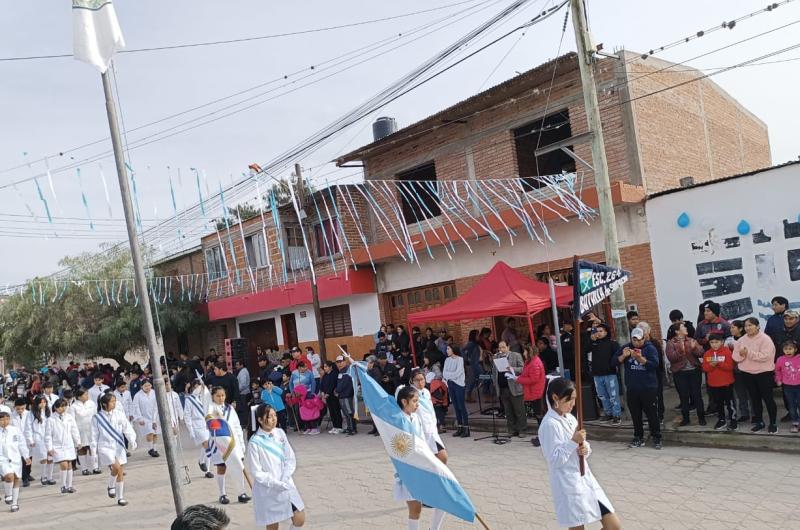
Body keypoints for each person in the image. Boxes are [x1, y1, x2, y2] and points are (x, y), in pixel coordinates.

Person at [538, 378, 621, 530]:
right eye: (569, 400)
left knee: (614, 526)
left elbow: (583, 444)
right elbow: (554, 460)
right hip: (568, 484)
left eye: (575, 399)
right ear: (555, 398)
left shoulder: (570, 418)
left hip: (586, 479)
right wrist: (573, 443)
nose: (573, 404)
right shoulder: (549, 424)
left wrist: (584, 449)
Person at [393, 386, 448, 530]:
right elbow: (401, 449)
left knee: (444, 498)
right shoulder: (398, 422)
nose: (418, 404)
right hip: (410, 470)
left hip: (425, 465)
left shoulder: (416, 417)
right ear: (404, 402)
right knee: (416, 509)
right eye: (415, 401)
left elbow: (423, 440)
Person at [246, 404, 306, 530]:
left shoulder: (279, 433)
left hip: (286, 484)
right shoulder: (254, 442)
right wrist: (275, 483)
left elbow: (290, 457)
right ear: (260, 420)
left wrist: (285, 477)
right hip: (268, 489)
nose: (274, 419)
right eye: (269, 417)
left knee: (299, 518)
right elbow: (256, 471)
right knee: (273, 524)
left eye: (275, 415)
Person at [732, 317, 777, 433]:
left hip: (764, 373)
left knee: (768, 399)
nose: (748, 328)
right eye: (746, 326)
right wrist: (742, 355)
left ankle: (773, 423)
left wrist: (748, 353)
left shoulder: (765, 339)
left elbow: (765, 356)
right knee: (754, 399)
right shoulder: (741, 340)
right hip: (747, 373)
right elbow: (735, 356)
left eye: (750, 325)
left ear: (757, 326)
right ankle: (760, 422)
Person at [618, 328, 662, 449]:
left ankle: (656, 437)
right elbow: (614, 362)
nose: (637, 342)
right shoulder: (626, 347)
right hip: (632, 388)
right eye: (634, 339)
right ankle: (638, 437)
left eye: (639, 339)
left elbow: (654, 365)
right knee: (635, 415)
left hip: (648, 388)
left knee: (652, 414)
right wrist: (623, 356)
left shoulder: (650, 348)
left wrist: (640, 358)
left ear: (644, 338)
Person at [91, 393, 137, 506]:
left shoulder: (119, 414)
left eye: (114, 401)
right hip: (105, 447)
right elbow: (94, 435)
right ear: (104, 404)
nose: (114, 403)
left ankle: (121, 497)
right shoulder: (97, 418)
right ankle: (111, 485)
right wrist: (93, 451)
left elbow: (127, 428)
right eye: (112, 401)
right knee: (116, 467)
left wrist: (132, 440)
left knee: (120, 471)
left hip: (119, 446)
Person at [207, 386, 250, 505]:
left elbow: (237, 426)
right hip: (219, 444)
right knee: (222, 468)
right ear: (213, 396)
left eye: (223, 395)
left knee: (238, 466)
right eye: (218, 396)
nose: (221, 398)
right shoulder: (210, 409)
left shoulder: (230, 408)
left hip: (234, 443)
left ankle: (241, 492)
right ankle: (222, 494)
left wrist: (241, 444)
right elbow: (211, 426)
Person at [665, 322, 706, 427]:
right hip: (680, 373)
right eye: (683, 327)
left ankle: (701, 418)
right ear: (677, 331)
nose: (686, 328)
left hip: (694, 371)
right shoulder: (671, 343)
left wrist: (694, 348)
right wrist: (680, 350)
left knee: (697, 395)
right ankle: (686, 419)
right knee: (683, 396)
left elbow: (701, 353)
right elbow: (672, 358)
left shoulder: (691, 340)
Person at [409, 369, 447, 463]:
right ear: (412, 381)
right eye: (417, 380)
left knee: (441, 457)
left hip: (431, 429)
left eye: (422, 379)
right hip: (419, 431)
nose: (420, 382)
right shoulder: (410, 394)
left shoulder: (426, 391)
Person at [586, 324, 622, 425]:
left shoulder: (612, 344)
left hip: (610, 374)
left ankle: (617, 415)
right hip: (597, 374)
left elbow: (618, 357)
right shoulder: (593, 343)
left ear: (606, 332)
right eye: (597, 331)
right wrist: (591, 341)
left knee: (613, 395)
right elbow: (585, 350)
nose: (598, 333)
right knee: (602, 395)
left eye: (601, 331)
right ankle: (608, 413)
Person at [46, 398, 80, 494]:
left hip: (68, 444)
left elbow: (74, 430)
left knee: (69, 465)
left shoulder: (69, 417)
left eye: (65, 406)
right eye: (61, 406)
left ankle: (69, 486)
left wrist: (78, 441)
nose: (63, 408)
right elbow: (48, 435)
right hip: (57, 446)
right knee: (63, 464)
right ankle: (62, 486)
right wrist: (49, 448)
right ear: (56, 408)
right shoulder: (51, 419)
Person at [493, 341, 526, 437]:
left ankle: (522, 429)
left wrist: (511, 368)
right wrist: (495, 384)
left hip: (514, 387)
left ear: (508, 347)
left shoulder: (516, 355)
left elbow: (522, 369)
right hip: (502, 388)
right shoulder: (497, 357)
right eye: (499, 348)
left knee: (519, 410)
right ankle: (511, 430)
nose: (501, 350)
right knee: (508, 411)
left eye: (503, 347)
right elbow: (494, 372)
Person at [0, 410, 31, 513]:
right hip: (2, 459)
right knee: (9, 476)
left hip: (15, 458)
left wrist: (26, 456)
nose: (5, 421)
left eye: (7, 419)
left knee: (17, 478)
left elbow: (21, 444)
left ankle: (14, 503)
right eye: (2, 419)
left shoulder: (15, 430)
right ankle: (8, 494)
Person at [185, 378, 214, 479]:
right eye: (197, 386)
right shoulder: (189, 400)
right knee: (206, 444)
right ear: (193, 387)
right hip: (196, 425)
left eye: (201, 386)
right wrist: (190, 430)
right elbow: (187, 416)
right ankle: (204, 465)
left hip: (206, 424)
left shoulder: (205, 397)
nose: (199, 388)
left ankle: (205, 467)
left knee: (208, 445)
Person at [70, 388, 101, 476]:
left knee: (93, 448)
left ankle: (95, 467)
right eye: (85, 394)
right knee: (82, 449)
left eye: (87, 394)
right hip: (80, 431)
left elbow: (96, 415)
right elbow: (72, 421)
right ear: (79, 397)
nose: (87, 396)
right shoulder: (74, 407)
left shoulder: (91, 403)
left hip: (92, 429)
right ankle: (84, 469)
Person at [25, 395, 54, 486]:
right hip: (38, 437)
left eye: (44, 402)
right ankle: (43, 476)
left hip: (49, 437)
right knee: (43, 458)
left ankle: (50, 477)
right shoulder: (31, 413)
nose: (43, 404)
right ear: (37, 403)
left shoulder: (48, 412)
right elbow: (28, 428)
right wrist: (30, 440)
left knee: (51, 457)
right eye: (41, 402)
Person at [727, 320, 751, 423]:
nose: (731, 329)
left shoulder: (747, 339)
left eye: (733, 327)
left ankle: (755, 414)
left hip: (748, 369)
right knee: (740, 394)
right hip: (736, 370)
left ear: (740, 329)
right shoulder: (728, 340)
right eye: (731, 327)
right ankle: (744, 413)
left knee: (751, 393)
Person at [442, 345, 469, 438]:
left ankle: (466, 428)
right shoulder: (447, 360)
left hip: (459, 384)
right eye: (447, 349)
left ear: (453, 349)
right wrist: (450, 375)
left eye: (448, 348)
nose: (447, 350)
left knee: (461, 406)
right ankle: (460, 427)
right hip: (450, 384)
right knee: (456, 406)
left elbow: (458, 373)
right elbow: (444, 373)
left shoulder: (460, 359)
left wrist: (450, 375)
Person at [774, 340, 800, 433]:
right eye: (786, 349)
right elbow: (777, 371)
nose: (788, 351)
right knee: (792, 406)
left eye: (790, 349)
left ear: (795, 349)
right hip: (788, 387)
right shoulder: (780, 359)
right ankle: (795, 422)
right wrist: (778, 380)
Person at [517, 345, 546, 424]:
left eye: (525, 351)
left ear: (529, 352)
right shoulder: (530, 361)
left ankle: (542, 435)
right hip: (533, 391)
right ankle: (541, 434)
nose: (523, 353)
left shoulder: (534, 363)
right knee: (538, 415)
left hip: (536, 392)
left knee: (539, 415)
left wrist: (518, 379)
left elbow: (533, 379)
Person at [132, 379, 161, 457]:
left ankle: (155, 449)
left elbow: (156, 405)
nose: (148, 387)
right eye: (145, 386)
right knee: (150, 432)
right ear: (142, 386)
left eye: (149, 385)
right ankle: (150, 449)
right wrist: (139, 418)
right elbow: (136, 407)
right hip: (144, 417)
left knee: (155, 433)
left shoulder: (154, 393)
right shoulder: (137, 395)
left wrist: (154, 419)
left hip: (154, 416)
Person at [10, 399, 31, 488]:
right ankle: (24, 478)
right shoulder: (11, 416)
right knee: (21, 459)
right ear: (14, 407)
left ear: (25, 406)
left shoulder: (29, 414)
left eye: (22, 408)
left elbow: (31, 427)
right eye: (18, 409)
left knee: (29, 457)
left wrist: (31, 439)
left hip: (27, 438)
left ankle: (28, 474)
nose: (20, 411)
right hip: (16, 440)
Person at [333, 355, 356, 435]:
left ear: (345, 361)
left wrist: (337, 390)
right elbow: (339, 383)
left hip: (346, 394)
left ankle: (352, 428)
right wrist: (336, 390)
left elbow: (344, 383)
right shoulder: (341, 371)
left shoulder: (347, 370)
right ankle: (349, 427)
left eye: (341, 362)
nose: (339, 364)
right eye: (338, 362)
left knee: (349, 412)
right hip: (342, 395)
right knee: (346, 412)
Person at [319, 361, 342, 434]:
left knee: (336, 411)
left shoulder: (334, 374)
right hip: (326, 396)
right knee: (331, 412)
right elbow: (322, 384)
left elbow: (333, 385)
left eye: (326, 366)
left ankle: (339, 427)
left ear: (330, 367)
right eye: (324, 367)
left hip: (333, 396)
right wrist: (323, 393)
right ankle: (335, 426)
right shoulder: (325, 375)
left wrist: (328, 393)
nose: (325, 368)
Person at [463, 330, 482, 403]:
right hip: (471, 365)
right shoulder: (471, 344)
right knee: (473, 380)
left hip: (476, 364)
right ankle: (468, 395)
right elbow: (462, 349)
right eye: (477, 335)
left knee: (479, 377)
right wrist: (466, 359)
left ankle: (470, 394)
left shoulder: (475, 344)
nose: (478, 337)